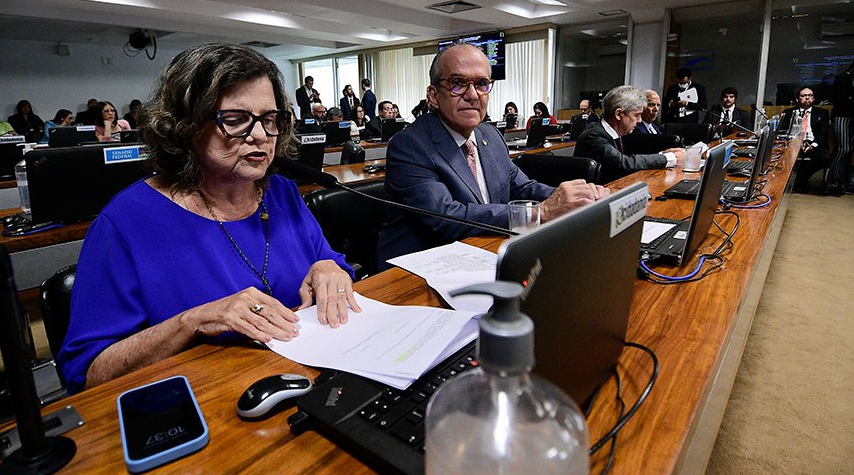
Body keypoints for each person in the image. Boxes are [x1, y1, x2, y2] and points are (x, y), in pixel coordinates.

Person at [57, 43, 360, 393]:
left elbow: (332, 265)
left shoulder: (282, 192)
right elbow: (89, 375)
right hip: (208, 404)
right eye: (235, 120)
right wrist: (193, 322)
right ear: (185, 125)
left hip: (309, 382)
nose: (260, 135)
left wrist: (328, 268)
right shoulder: (126, 221)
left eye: (270, 119)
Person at [376, 42, 608, 269]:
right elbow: (446, 217)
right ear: (434, 96)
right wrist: (541, 212)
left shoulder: (490, 135)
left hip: (482, 254)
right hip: (415, 274)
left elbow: (522, 188)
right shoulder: (409, 144)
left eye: (481, 83)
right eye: (458, 83)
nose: (473, 95)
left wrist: (582, 199)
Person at [575, 85, 685, 184]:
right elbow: (623, 163)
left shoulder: (617, 133)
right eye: (637, 115)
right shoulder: (594, 136)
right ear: (618, 114)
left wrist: (661, 154)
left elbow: (633, 158)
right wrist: (669, 158)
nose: (640, 121)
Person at [780, 87, 831, 193]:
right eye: (803, 96)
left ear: (813, 98)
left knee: (824, 157)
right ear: (798, 98)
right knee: (782, 157)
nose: (807, 98)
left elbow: (823, 133)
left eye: (810, 95)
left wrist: (813, 144)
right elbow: (784, 131)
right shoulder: (789, 113)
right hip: (793, 143)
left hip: (814, 143)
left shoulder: (822, 113)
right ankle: (793, 183)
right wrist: (796, 142)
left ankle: (800, 178)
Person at [826, 61, 854, 195]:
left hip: (849, 117)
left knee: (848, 151)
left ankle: (843, 183)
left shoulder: (848, 79)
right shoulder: (843, 79)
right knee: (844, 149)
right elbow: (842, 100)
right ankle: (832, 182)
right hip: (842, 116)